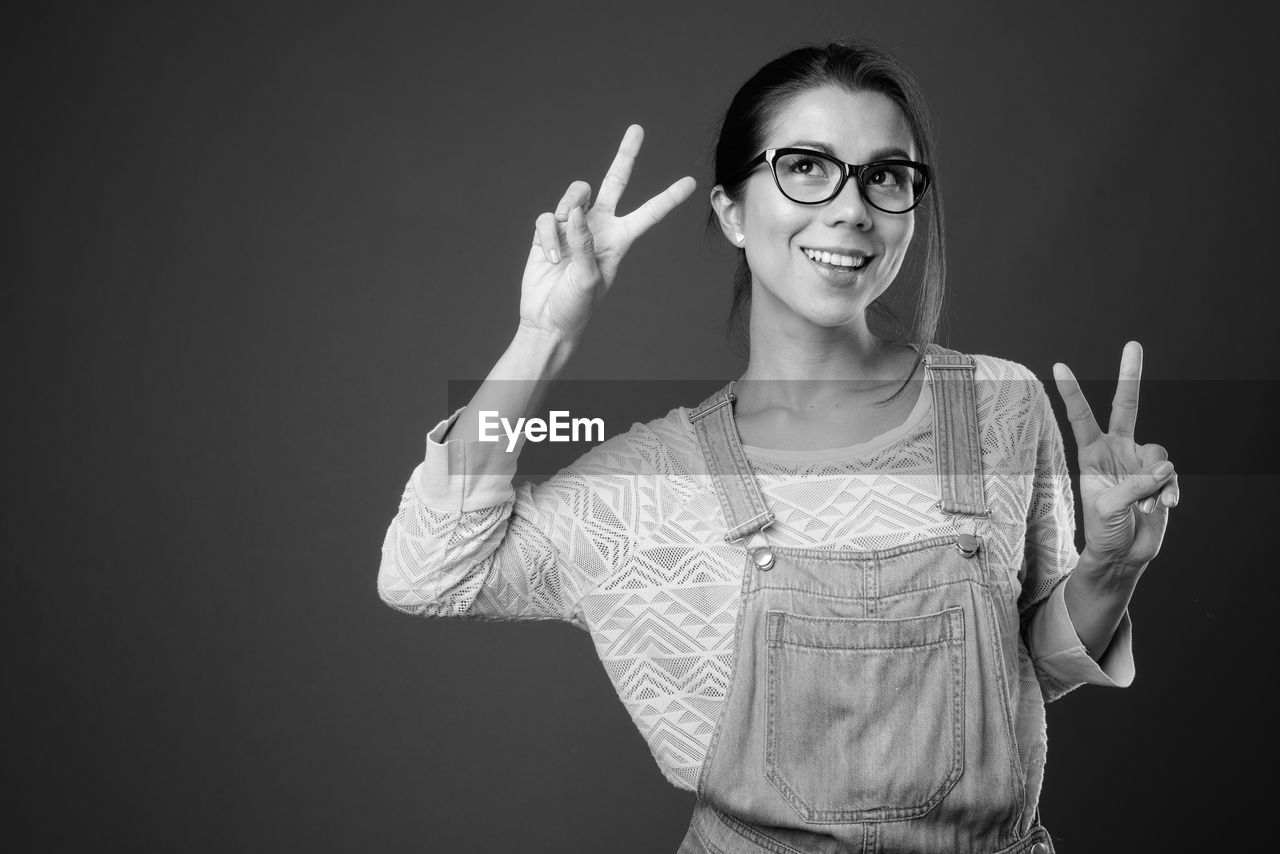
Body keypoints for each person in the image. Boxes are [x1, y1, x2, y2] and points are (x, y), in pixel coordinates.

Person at [377, 39, 1178, 853]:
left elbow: (1024, 673)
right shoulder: (653, 481)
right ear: (731, 211)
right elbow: (430, 570)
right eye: (805, 167)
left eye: (886, 175)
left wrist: (1112, 566)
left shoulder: (1002, 407)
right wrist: (542, 335)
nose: (851, 208)